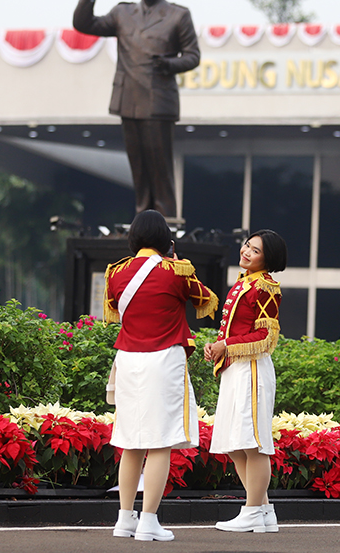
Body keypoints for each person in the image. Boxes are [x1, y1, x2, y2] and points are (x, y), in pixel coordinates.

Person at [103, 210, 219, 541]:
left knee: (130, 442)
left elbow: (114, 306)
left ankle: (125, 518)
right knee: (160, 444)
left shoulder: (116, 273)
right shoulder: (176, 270)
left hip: (127, 360)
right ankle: (149, 521)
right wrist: (178, 261)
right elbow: (206, 300)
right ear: (166, 239)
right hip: (163, 360)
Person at [73, 0, 200, 220]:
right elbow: (83, 24)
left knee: (160, 167)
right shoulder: (123, 13)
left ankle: (167, 221)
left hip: (158, 102)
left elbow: (193, 56)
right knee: (138, 167)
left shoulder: (178, 15)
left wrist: (169, 64)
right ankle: (143, 219)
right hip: (128, 99)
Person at [204, 230, 287, 534]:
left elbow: (267, 337)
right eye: (247, 245)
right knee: (234, 444)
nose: (246, 251)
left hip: (252, 369)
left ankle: (253, 510)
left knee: (253, 444)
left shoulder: (265, 287)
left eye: (255, 250)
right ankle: (263, 510)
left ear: (269, 258)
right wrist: (217, 346)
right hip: (235, 369)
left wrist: (227, 346)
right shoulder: (244, 281)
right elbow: (235, 328)